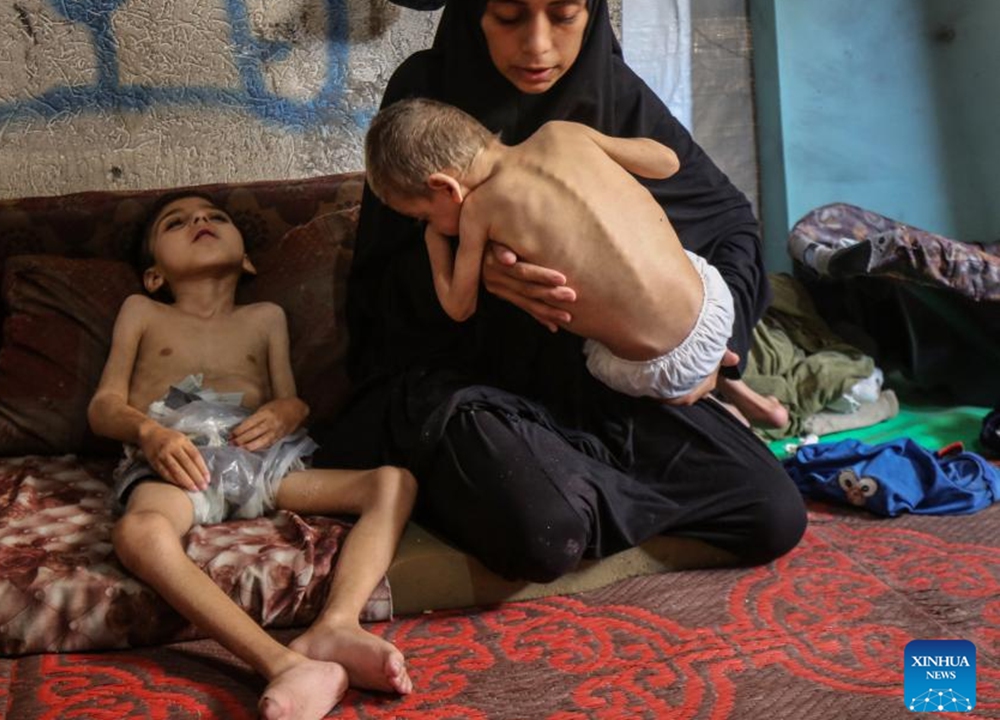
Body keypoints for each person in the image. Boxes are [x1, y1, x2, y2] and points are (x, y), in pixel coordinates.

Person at [314, 0, 807, 582]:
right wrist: (487, 282)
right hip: (473, 378)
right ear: (475, 16)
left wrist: (717, 351)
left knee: (770, 511)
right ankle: (576, 493)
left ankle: (575, 486)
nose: (539, 46)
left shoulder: (610, 96)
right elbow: (378, 289)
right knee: (543, 532)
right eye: (508, 17)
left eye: (565, 15)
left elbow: (728, 223)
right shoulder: (426, 96)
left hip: (595, 380)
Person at [88, 192, 416, 720]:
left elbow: (289, 399)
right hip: (180, 463)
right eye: (177, 222)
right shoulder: (143, 311)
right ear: (154, 275)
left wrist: (290, 409)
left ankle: (337, 627)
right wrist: (150, 434)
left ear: (246, 260)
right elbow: (103, 406)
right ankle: (281, 662)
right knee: (138, 532)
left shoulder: (265, 317)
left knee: (393, 482)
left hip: (262, 461)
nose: (199, 220)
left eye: (214, 216)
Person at [363, 97, 788, 427]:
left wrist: (435, 241)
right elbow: (668, 163)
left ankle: (717, 409)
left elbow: (459, 306)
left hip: (660, 370)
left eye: (423, 215)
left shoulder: (479, 210)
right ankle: (738, 389)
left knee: (591, 353)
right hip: (715, 303)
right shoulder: (561, 133)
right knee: (664, 264)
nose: (429, 224)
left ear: (445, 188)